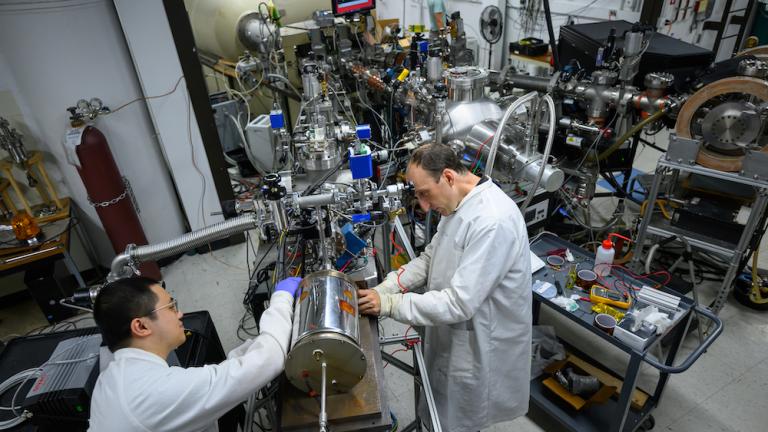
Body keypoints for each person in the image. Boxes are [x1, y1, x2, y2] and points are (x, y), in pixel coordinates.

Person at [358, 143, 532, 432]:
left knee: (460, 421)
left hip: (479, 344)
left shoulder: (492, 221)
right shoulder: (458, 205)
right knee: (442, 412)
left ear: (449, 177)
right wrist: (390, 285)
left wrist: (389, 305)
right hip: (453, 333)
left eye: (425, 194)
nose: (424, 206)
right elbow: (430, 258)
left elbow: (459, 303)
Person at [88, 276, 301, 432]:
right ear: (141, 327)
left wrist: (255, 345)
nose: (180, 314)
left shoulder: (110, 378)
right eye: (171, 307)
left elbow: (223, 376)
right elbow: (270, 358)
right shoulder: (154, 392)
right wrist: (281, 298)